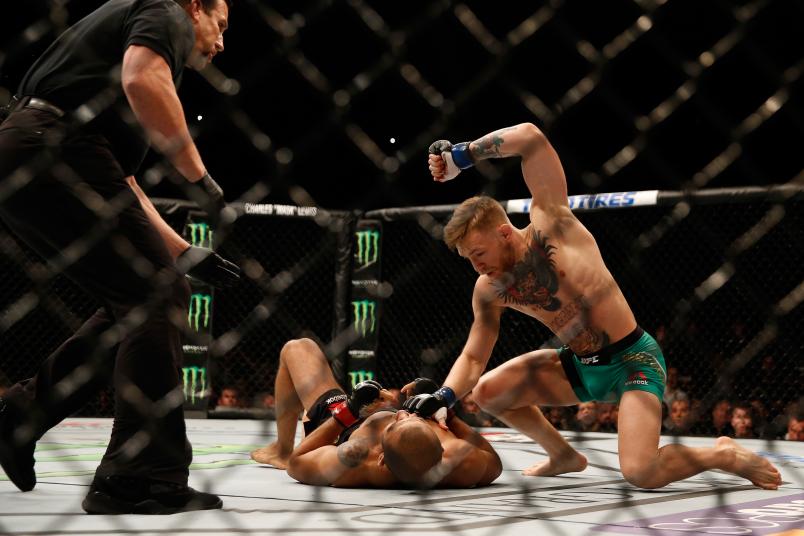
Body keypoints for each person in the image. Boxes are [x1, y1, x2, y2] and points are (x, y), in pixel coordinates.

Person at [403, 122, 782, 490]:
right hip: (579, 366)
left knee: (641, 472)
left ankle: (723, 455)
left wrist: (463, 156)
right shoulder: (489, 289)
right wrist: (444, 397)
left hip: (632, 360)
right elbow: (473, 356)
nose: (477, 265)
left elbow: (530, 138)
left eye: (480, 253)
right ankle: (564, 456)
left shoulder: (552, 224)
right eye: (469, 258)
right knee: (487, 392)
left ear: (504, 233)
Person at [0, 0, 239, 514]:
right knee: (153, 294)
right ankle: (139, 476)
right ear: (196, 7)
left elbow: (124, 182)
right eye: (219, 26)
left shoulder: (118, 68)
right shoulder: (165, 10)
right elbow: (141, 79)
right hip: (52, 146)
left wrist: (182, 252)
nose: (221, 43)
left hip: (30, 150)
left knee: (135, 300)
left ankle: (19, 415)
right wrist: (200, 180)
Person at [249, 338, 501, 488]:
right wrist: (446, 411)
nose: (402, 414)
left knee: (298, 347)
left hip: (345, 429)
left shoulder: (355, 460)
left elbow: (297, 461)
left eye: (395, 423)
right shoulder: (459, 462)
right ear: (442, 451)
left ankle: (280, 449)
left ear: (381, 458)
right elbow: (495, 464)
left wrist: (348, 412)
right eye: (415, 418)